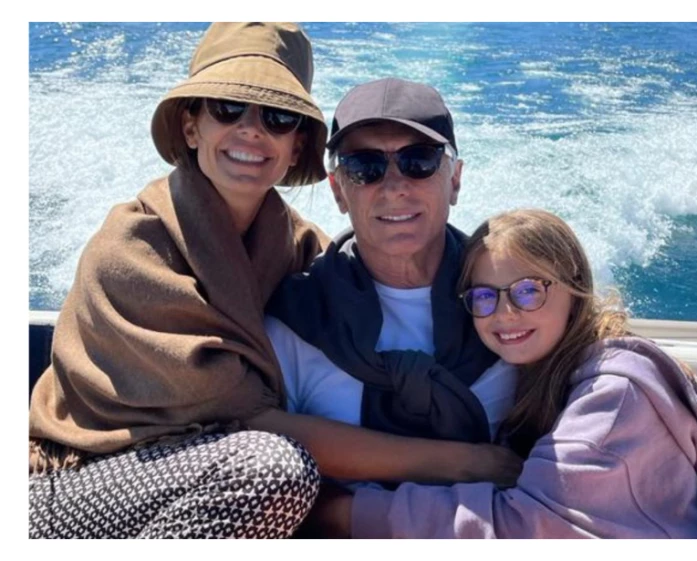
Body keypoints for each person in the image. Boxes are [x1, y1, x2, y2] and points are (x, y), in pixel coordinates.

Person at [28, 28, 520, 539]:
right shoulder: (133, 252)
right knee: (272, 473)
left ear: (296, 145)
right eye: (227, 108)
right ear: (191, 127)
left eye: (277, 116)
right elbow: (250, 419)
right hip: (77, 479)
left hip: (204, 485)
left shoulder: (293, 248)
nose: (251, 130)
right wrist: (467, 463)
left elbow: (356, 267)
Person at [309, 209, 697, 538]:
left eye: (527, 291)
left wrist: (344, 513)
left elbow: (523, 529)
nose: (505, 314)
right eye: (484, 296)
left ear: (574, 285)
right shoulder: (535, 375)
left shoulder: (612, 397)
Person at [264, 78, 520, 466]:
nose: (395, 186)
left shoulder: (518, 298)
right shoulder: (296, 321)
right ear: (338, 191)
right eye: (364, 166)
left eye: (420, 160)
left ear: (455, 180)